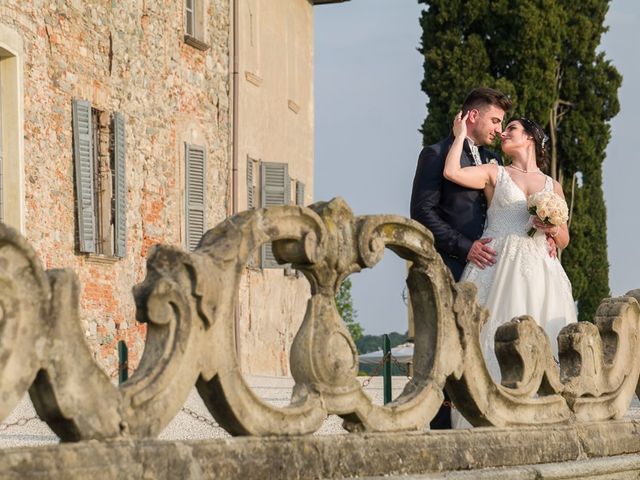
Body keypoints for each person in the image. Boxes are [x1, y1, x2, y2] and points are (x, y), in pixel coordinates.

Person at [443, 112, 578, 428]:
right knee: (492, 337)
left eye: (512, 129)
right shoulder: (495, 173)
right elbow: (451, 172)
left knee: (544, 335)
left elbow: (565, 239)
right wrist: (459, 134)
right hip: (499, 264)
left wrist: (550, 227)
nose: (503, 132)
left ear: (529, 137)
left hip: (543, 271)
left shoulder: (552, 185)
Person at [410, 87, 512, 429]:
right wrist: (464, 246)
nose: (499, 129)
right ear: (473, 116)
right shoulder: (436, 154)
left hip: (488, 272)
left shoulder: (489, 162)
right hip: (452, 266)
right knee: (447, 351)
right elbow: (422, 212)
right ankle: (442, 432)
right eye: (495, 120)